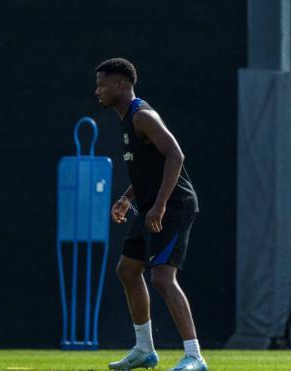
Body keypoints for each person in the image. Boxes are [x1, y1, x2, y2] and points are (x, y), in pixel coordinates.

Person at [94, 58, 207, 371]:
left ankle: (195, 357)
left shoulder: (142, 115)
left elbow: (175, 154)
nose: (97, 91)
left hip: (174, 206)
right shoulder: (125, 119)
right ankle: (145, 350)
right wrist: (126, 198)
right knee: (127, 271)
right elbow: (149, 167)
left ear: (120, 85)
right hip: (149, 207)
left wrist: (159, 206)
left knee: (161, 276)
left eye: (102, 84)